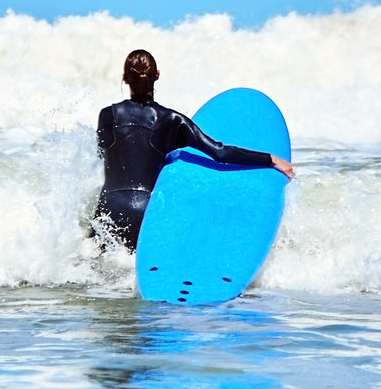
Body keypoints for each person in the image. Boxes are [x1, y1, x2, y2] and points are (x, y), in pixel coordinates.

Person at [92, 49, 294, 251]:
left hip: (108, 210)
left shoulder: (106, 115)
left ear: (125, 78)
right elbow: (219, 153)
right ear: (157, 75)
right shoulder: (171, 120)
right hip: (146, 214)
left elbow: (105, 154)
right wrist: (270, 159)